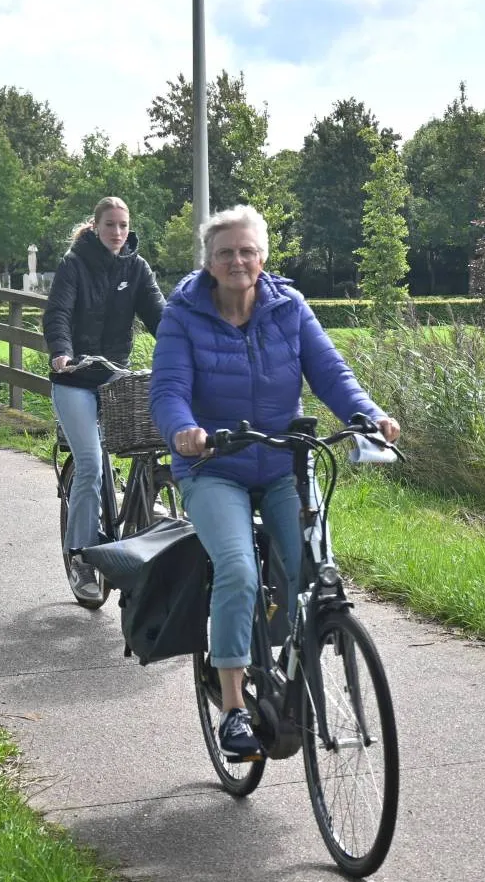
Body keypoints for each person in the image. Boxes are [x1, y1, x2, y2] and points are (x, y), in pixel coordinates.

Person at [151, 204, 401, 761]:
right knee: (238, 570)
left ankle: (278, 655)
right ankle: (235, 708)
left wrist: (367, 415)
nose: (237, 261)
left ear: (262, 257)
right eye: (225, 253)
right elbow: (167, 389)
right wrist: (185, 431)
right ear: (210, 263)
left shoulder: (289, 307)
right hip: (216, 465)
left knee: (310, 572)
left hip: (286, 461)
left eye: (246, 251)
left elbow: (332, 373)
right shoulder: (182, 314)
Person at [44, 196, 165, 598]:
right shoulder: (74, 265)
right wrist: (61, 352)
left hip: (116, 380)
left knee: (149, 448)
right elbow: (58, 312)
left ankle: (148, 529)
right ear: (95, 227)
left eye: (123, 225)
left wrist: (185, 348)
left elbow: (159, 315)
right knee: (92, 464)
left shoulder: (137, 268)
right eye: (110, 225)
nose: (117, 232)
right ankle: (80, 557)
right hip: (75, 378)